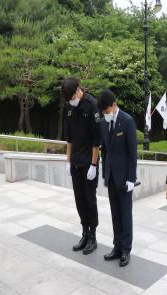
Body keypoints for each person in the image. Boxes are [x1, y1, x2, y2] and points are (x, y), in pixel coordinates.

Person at [98, 89, 137, 267]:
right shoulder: (104, 123)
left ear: (114, 105)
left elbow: (132, 153)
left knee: (125, 214)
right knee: (115, 213)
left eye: (107, 111)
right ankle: (117, 246)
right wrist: (105, 172)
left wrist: (131, 178)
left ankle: (126, 250)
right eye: (103, 113)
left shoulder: (127, 121)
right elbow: (105, 150)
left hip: (124, 178)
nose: (105, 115)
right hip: (111, 176)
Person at [62, 77, 100, 255]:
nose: (71, 100)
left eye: (72, 96)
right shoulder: (70, 107)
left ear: (78, 89)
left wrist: (93, 164)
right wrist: (68, 161)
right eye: (68, 98)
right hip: (76, 161)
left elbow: (96, 140)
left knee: (90, 200)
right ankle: (84, 232)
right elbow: (69, 137)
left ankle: (93, 236)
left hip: (89, 162)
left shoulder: (92, 105)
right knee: (79, 199)